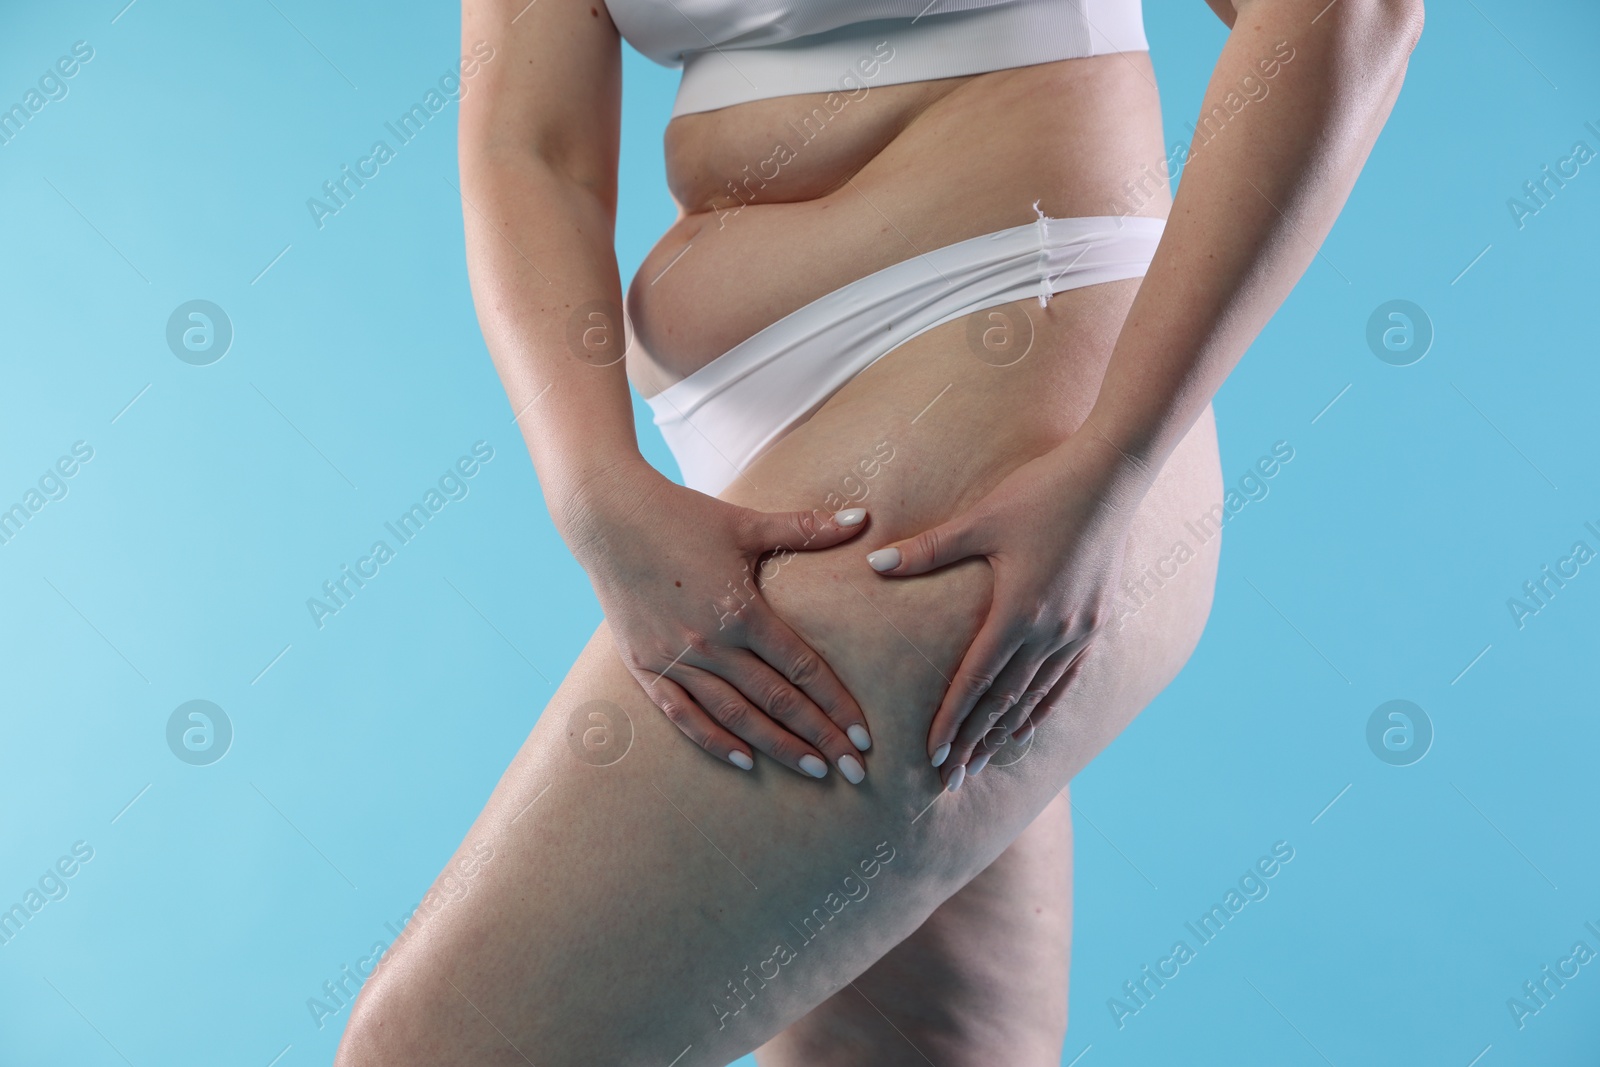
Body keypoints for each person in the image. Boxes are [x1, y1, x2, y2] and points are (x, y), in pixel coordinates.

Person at [336, 0, 1421, 1063]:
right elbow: (533, 145)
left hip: (989, 401)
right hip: (763, 455)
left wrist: (1116, 456)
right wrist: (592, 487)